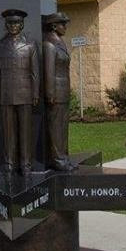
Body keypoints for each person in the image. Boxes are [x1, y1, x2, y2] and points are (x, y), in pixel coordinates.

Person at [0, 9, 39, 175]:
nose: (13, 26)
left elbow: (35, 73)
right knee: (8, 132)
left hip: (25, 94)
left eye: (16, 23)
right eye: (10, 23)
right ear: (6, 25)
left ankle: (26, 164)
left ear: (22, 24)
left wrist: (35, 94)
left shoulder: (31, 45)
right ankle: (9, 163)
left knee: (25, 132)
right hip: (5, 95)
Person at [43, 12, 76, 171]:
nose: (65, 27)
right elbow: (48, 72)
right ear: (54, 26)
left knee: (63, 126)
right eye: (63, 24)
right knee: (55, 127)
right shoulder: (49, 45)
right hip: (55, 93)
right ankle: (57, 159)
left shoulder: (60, 43)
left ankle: (64, 156)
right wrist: (50, 94)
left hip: (63, 92)